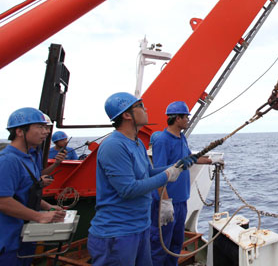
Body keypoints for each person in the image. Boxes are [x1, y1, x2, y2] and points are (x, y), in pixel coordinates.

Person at [87, 92, 197, 266]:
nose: (145, 109)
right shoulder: (114, 145)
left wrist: (176, 166)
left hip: (140, 227)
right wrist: (167, 176)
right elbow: (128, 189)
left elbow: (148, 172)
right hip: (118, 233)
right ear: (126, 114)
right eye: (140, 106)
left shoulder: (136, 143)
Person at [0, 107, 66, 265]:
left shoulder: (29, 158)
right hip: (7, 241)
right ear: (20, 131)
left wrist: (48, 207)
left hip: (24, 235)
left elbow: (26, 193)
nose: (45, 132)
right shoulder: (8, 160)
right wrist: (40, 216)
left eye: (46, 127)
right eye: (40, 127)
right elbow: (3, 201)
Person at [150, 101, 212, 266]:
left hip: (181, 200)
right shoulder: (162, 141)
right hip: (167, 202)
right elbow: (159, 173)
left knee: (176, 243)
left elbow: (189, 159)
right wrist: (164, 202)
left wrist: (210, 160)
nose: (188, 120)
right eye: (186, 117)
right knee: (160, 245)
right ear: (177, 118)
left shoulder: (181, 137)